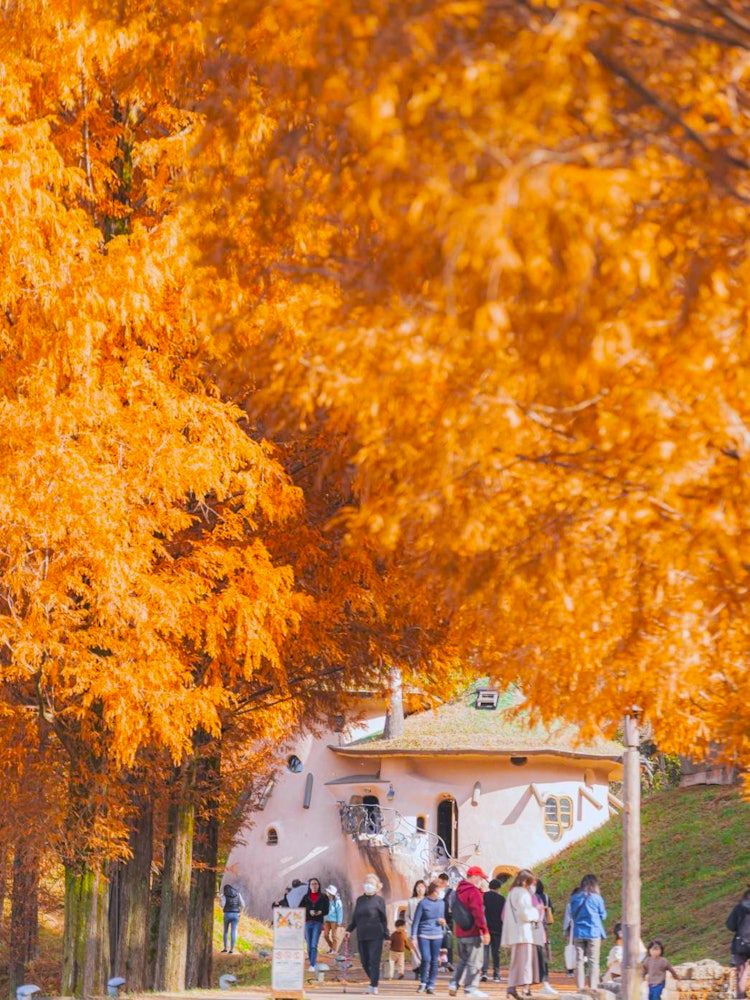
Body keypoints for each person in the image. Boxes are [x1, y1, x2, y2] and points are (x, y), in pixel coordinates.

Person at [448, 865, 491, 999]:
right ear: (474, 876)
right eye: (480, 878)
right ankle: (471, 989)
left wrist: (481, 893)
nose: (481, 881)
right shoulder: (473, 892)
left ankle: (453, 984)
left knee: (463, 960)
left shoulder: (457, 891)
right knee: (475, 962)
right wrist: (484, 931)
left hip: (460, 932)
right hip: (473, 931)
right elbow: (478, 913)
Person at [345, 874, 389, 995]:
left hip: (376, 934)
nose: (368, 886)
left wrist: (386, 935)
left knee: (374, 961)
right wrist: (349, 929)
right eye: (366, 883)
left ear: (376, 887)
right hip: (362, 934)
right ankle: (374, 980)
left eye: (371, 884)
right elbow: (355, 918)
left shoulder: (380, 901)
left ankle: (373, 985)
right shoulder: (360, 900)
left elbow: (383, 919)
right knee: (364, 961)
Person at [501, 869, 540, 1000]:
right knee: (525, 962)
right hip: (523, 932)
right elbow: (525, 913)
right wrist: (536, 912)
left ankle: (512, 987)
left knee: (516, 962)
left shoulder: (512, 892)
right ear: (525, 881)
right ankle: (525, 988)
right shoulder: (523, 893)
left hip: (514, 932)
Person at [570, 873, 607, 991]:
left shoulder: (575, 897)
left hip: (579, 932)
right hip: (593, 932)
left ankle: (580, 988)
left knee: (579, 961)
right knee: (593, 961)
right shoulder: (597, 898)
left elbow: (572, 914)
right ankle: (593, 988)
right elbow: (603, 915)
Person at [412, 880, 448, 995]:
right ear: (434, 890)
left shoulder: (442, 903)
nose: (442, 891)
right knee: (426, 958)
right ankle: (423, 982)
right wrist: (413, 936)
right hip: (424, 934)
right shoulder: (423, 903)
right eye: (440, 889)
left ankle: (431, 985)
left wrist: (443, 922)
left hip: (437, 934)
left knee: (434, 960)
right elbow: (416, 921)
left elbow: (442, 919)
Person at [532, 878, 557, 996]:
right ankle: (544, 975)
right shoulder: (546, 897)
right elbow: (553, 910)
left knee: (535, 950)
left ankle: (537, 974)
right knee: (544, 949)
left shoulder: (532, 897)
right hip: (544, 926)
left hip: (533, 926)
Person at [301, 876, 330, 972]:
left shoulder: (324, 897)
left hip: (317, 923)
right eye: (312, 884)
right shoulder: (305, 897)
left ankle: (313, 965)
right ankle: (312, 962)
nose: (314, 885)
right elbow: (300, 909)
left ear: (319, 885)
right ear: (309, 886)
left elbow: (326, 910)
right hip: (307, 923)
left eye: (316, 883)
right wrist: (309, 912)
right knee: (309, 945)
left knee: (314, 944)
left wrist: (320, 912)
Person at [727, 886, 750, 999]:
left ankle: (740, 997)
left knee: (741, 972)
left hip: (741, 943)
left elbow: (730, 926)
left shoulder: (739, 907)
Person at [481, 878, 505, 983]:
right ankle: (496, 973)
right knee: (496, 952)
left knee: (485, 950)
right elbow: (504, 915)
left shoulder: (484, 896)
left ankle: (484, 973)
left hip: (486, 927)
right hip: (498, 928)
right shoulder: (502, 899)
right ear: (499, 888)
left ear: (489, 886)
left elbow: (481, 910)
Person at [408, 881, 428, 979]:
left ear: (425, 888)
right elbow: (407, 916)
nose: (420, 889)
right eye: (418, 887)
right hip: (412, 929)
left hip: (424, 929)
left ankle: (423, 969)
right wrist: (412, 924)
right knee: (414, 951)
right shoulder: (411, 901)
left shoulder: (427, 900)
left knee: (423, 950)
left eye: (422, 887)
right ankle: (418, 970)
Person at [438, 873, 456, 973]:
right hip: (438, 921)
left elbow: (454, 906)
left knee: (448, 942)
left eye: (443, 881)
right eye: (440, 881)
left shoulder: (451, 892)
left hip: (448, 920)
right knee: (438, 942)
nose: (441, 883)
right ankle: (440, 963)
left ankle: (449, 962)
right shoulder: (435, 891)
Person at [221, 883, 245, 954]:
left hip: (227, 914)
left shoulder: (224, 895)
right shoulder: (238, 894)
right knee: (234, 931)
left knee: (225, 931)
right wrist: (240, 913)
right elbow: (243, 905)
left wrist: (220, 899)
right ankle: (232, 949)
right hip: (236, 914)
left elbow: (222, 905)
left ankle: (225, 948)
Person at [562, 885, 580, 976]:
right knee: (579, 950)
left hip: (572, 930)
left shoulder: (570, 905)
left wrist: (565, 930)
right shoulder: (583, 903)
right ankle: (579, 969)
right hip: (580, 930)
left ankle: (570, 970)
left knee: (571, 950)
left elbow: (567, 919)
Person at [324, 884, 345, 955]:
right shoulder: (326, 900)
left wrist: (339, 922)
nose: (327, 893)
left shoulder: (337, 901)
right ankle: (332, 947)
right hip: (327, 920)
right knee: (325, 935)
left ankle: (334, 950)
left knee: (334, 936)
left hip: (334, 921)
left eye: (328, 892)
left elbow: (340, 912)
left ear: (331, 893)